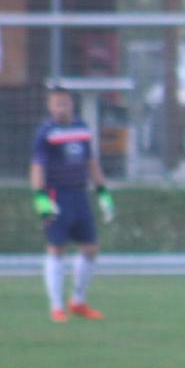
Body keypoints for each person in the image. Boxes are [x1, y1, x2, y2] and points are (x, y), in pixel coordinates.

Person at [31, 85, 112, 323]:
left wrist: (103, 193)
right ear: (50, 106)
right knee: (56, 248)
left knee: (91, 248)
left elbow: (91, 162)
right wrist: (41, 198)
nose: (60, 108)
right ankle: (56, 306)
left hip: (80, 195)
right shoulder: (46, 132)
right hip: (57, 195)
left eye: (64, 103)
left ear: (71, 104)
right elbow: (37, 167)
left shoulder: (82, 129)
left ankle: (78, 301)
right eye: (56, 104)